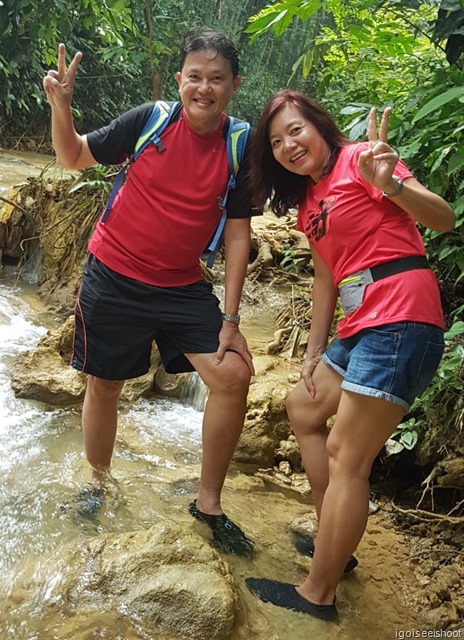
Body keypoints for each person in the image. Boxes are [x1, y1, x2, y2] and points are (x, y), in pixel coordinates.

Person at [43, 27, 259, 556]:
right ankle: (96, 482)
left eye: (216, 79)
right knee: (105, 385)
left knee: (233, 376)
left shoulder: (241, 144)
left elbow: (237, 234)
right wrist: (61, 105)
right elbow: (72, 156)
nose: (203, 88)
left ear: (233, 85)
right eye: (194, 77)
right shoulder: (150, 120)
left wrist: (230, 321)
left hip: (181, 285)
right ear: (180, 79)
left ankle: (207, 503)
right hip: (113, 275)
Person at [245, 89, 456, 619]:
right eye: (276, 141)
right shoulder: (310, 203)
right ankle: (336, 543)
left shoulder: (364, 159)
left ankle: (318, 594)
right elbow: (325, 279)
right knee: (303, 407)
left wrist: (395, 187)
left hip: (403, 315)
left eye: (296, 130)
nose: (289, 145)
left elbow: (444, 218)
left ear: (318, 124)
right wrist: (313, 354)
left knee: (347, 455)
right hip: (361, 323)